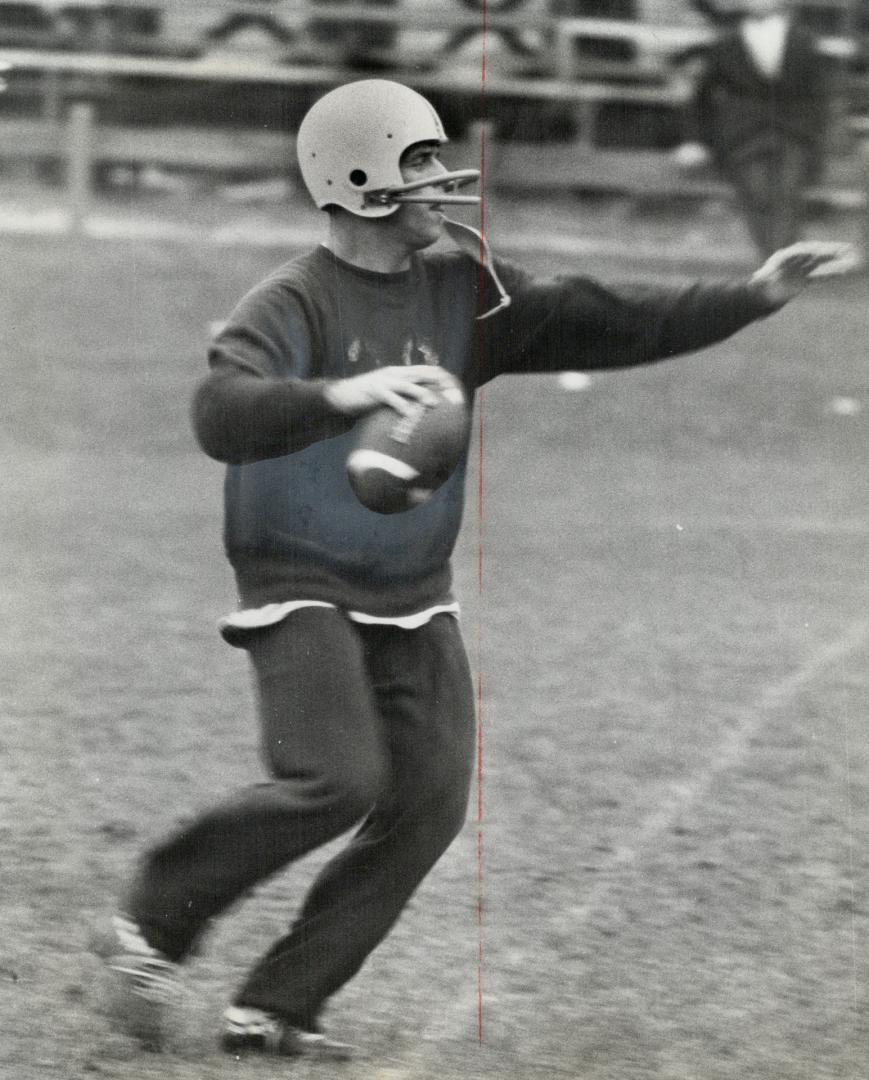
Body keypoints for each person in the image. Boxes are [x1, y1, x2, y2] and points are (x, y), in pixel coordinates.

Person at [99, 78, 853, 1060]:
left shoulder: (462, 283)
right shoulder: (289, 300)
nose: (441, 180)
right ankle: (150, 920)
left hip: (409, 587)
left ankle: (277, 1006)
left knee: (430, 800)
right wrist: (343, 390)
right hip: (299, 575)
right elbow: (220, 413)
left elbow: (599, 319)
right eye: (417, 162)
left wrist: (750, 295)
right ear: (358, 176)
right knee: (333, 778)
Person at [673, 0, 832, 257]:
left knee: (788, 194)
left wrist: (816, 136)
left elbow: (819, 96)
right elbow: (700, 98)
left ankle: (780, 262)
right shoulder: (727, 43)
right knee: (757, 195)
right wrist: (695, 141)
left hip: (793, 135)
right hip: (743, 136)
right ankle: (778, 260)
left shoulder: (803, 41)